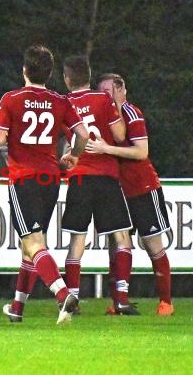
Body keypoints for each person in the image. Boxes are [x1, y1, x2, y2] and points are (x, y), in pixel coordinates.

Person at [0, 44, 89, 325]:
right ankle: (17, 308)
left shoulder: (11, 99)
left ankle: (62, 294)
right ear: (49, 73)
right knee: (32, 246)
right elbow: (82, 133)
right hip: (50, 179)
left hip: (23, 178)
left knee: (32, 243)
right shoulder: (60, 101)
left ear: (24, 70)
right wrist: (73, 155)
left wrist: (10, 146)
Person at [86, 73, 174, 316]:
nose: (105, 96)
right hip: (117, 190)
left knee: (151, 243)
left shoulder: (131, 113)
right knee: (117, 245)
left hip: (143, 188)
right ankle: (119, 301)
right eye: (101, 92)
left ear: (120, 89)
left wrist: (106, 148)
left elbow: (141, 152)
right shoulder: (103, 116)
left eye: (108, 92)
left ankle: (165, 301)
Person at [59, 55, 138, 315]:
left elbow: (64, 141)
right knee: (121, 236)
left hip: (79, 177)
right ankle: (122, 299)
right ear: (89, 76)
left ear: (67, 79)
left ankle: (72, 299)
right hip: (106, 176)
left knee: (77, 240)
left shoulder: (64, 103)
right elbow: (119, 135)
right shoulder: (103, 100)